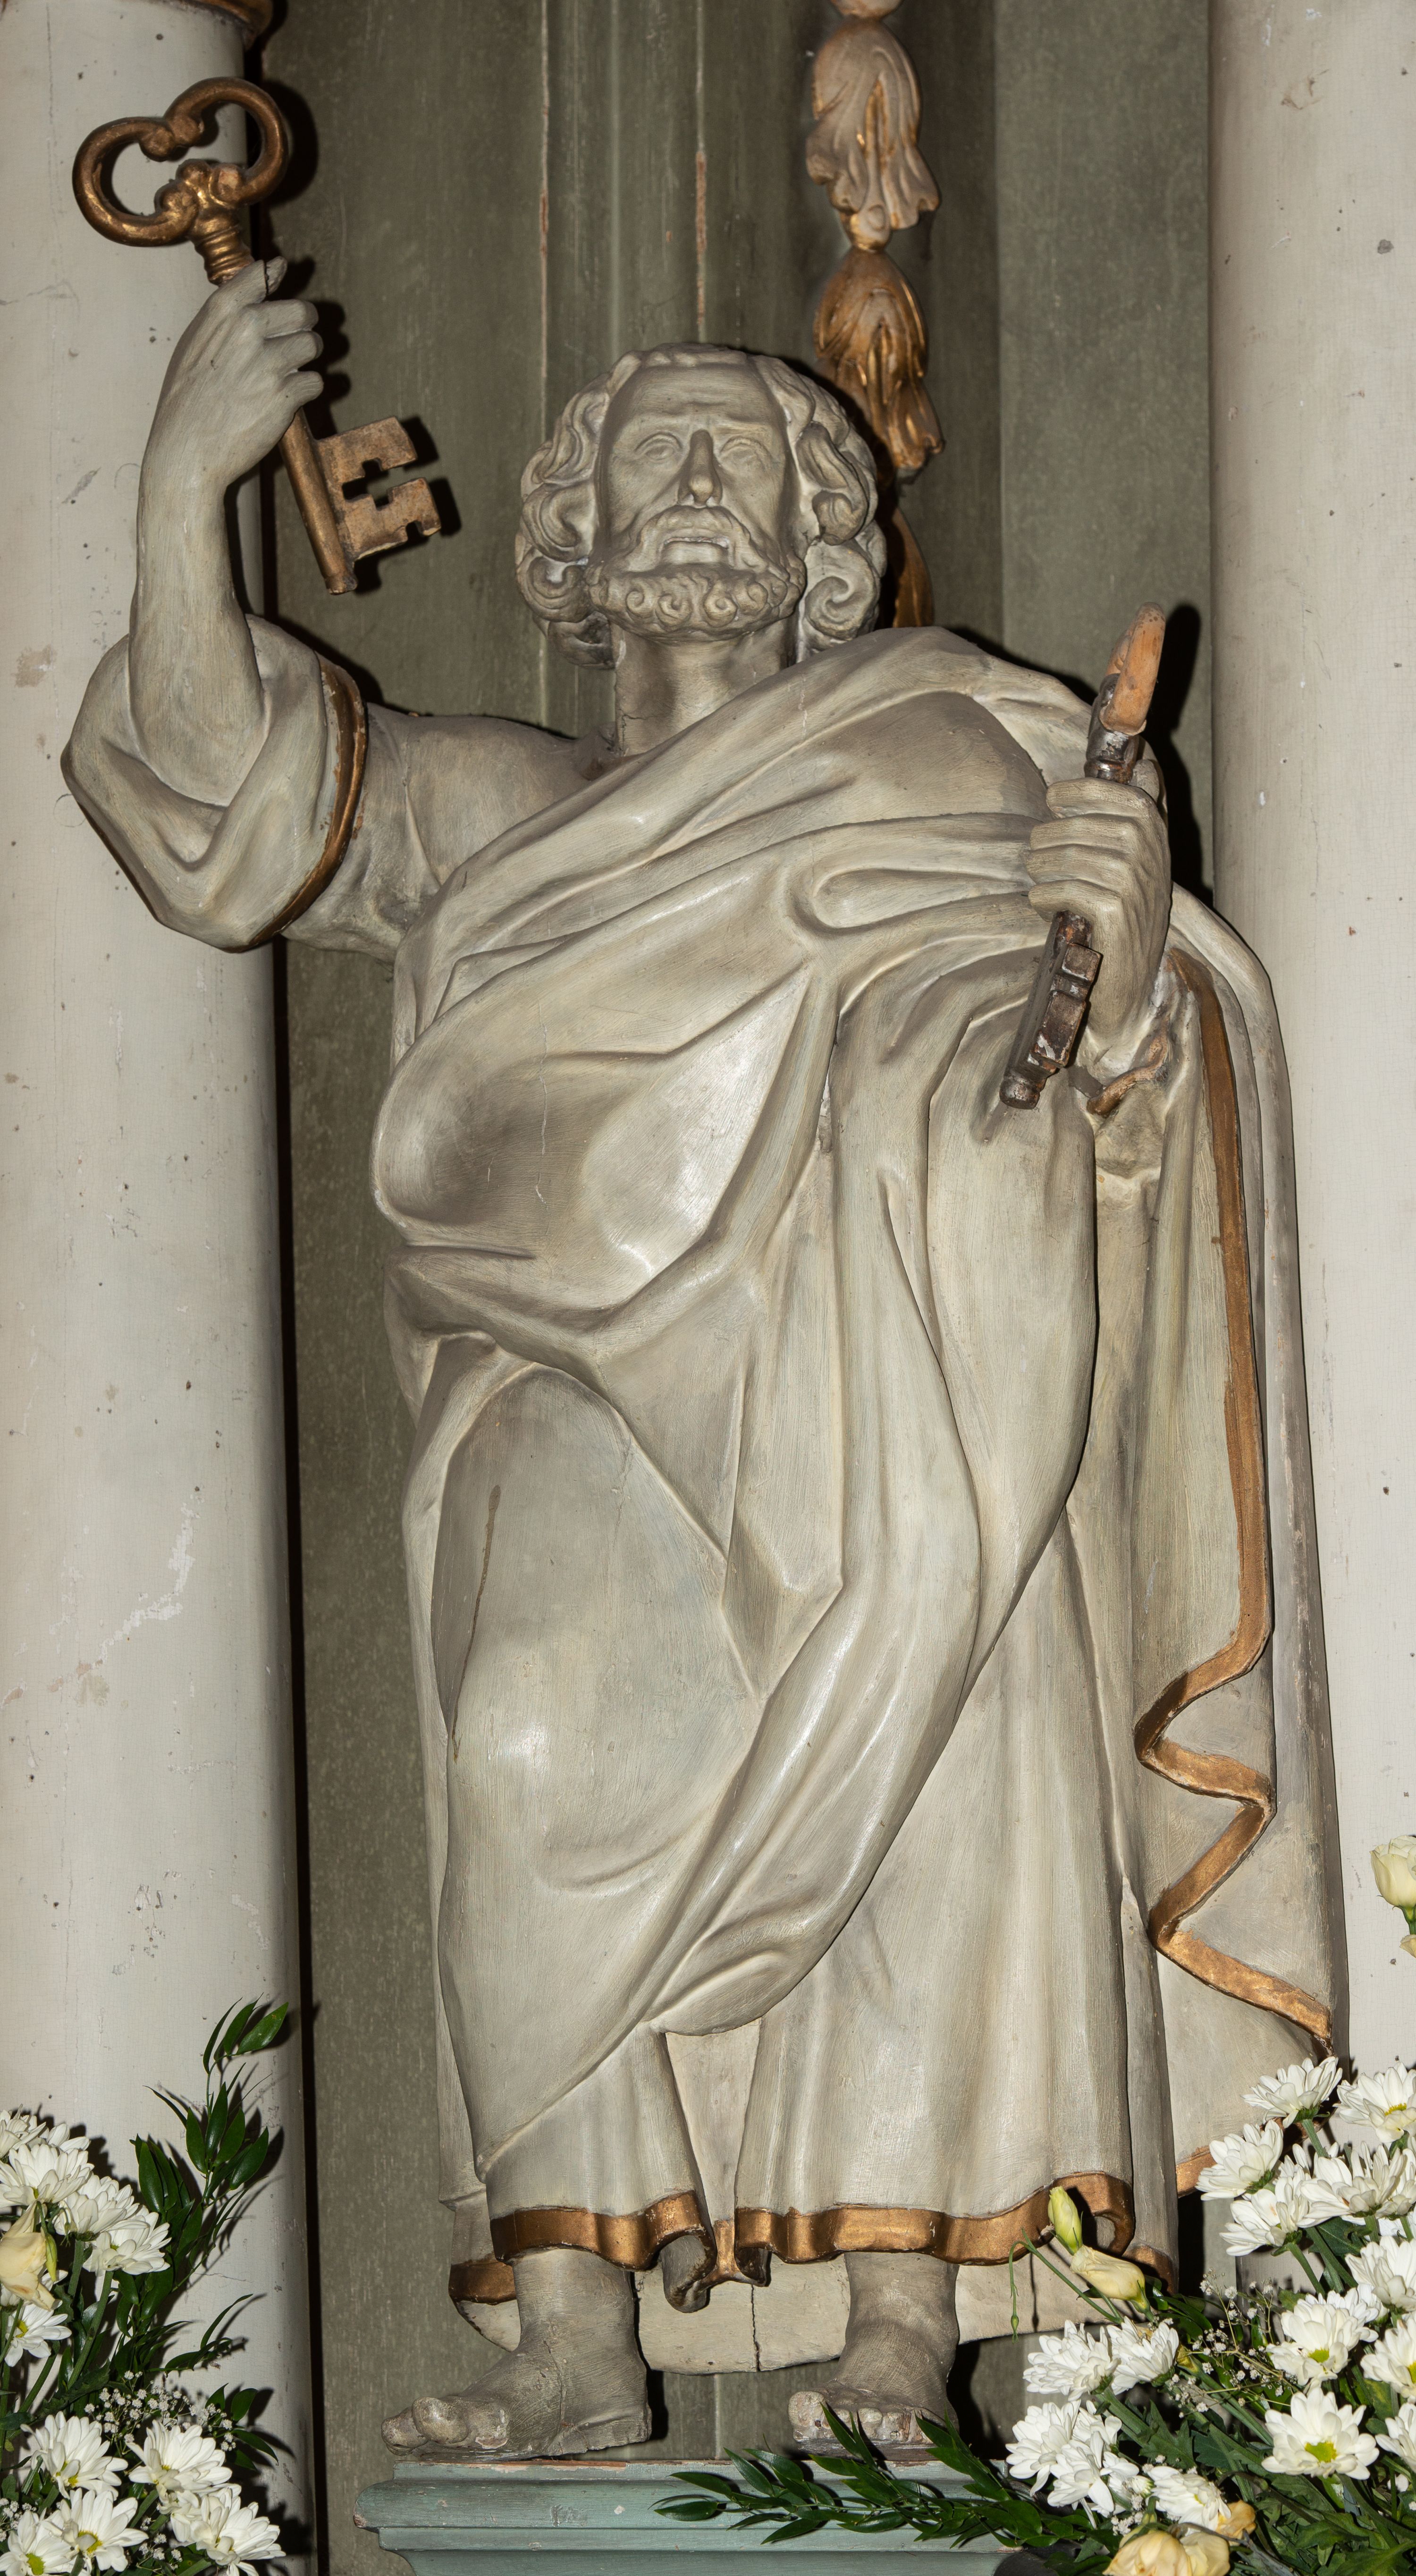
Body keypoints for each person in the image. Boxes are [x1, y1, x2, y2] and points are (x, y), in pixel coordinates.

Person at [65, 261, 1341, 2459]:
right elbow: (213, 800)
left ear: (824, 538)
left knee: (939, 1657)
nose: (686, 487)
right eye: (647, 456)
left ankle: (902, 2322)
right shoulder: (489, 800)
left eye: (737, 459)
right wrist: (188, 490)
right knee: (521, 1735)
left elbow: (1128, 1066)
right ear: (568, 535)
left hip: (891, 1361)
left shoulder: (957, 743)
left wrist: (1128, 950)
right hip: (564, 1386)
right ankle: (570, 2327)